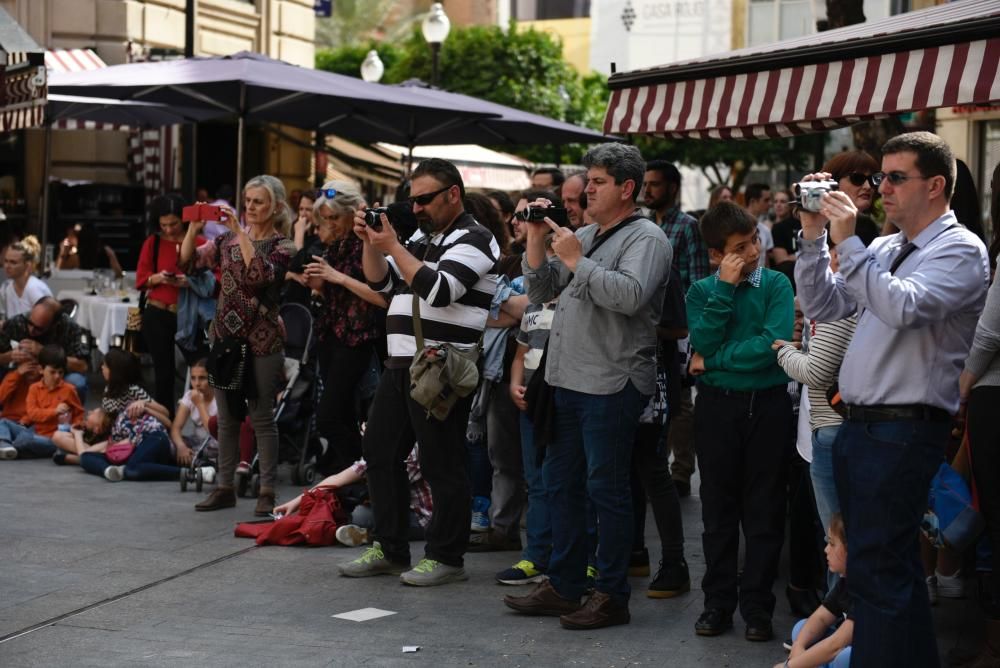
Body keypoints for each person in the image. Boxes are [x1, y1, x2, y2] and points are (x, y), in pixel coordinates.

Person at [795, 131, 989, 667]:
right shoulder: (882, 247)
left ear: (936, 185)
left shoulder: (961, 248)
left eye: (895, 178)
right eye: (880, 177)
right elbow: (821, 305)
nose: (882, 188)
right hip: (861, 426)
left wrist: (848, 241)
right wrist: (814, 239)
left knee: (877, 572)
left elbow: (904, 307)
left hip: (904, 428)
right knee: (890, 570)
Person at [504, 143, 671, 630]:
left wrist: (577, 260)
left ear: (627, 188)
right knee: (562, 486)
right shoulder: (588, 233)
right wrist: (537, 239)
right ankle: (565, 583)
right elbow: (538, 290)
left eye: (597, 182)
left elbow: (630, 297)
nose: (586, 190)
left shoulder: (648, 238)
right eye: (587, 181)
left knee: (607, 490)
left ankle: (612, 594)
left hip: (612, 382)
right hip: (567, 381)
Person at [337, 158, 498, 587]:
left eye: (425, 198)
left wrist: (394, 246)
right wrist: (373, 242)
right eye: (413, 199)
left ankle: (447, 557)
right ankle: (389, 549)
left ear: (453, 194)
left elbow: (440, 289)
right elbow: (382, 284)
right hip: (400, 362)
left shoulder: (477, 239)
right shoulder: (420, 238)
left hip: (440, 367)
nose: (418, 207)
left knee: (440, 462)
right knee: (380, 453)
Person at [687, 201, 795, 642]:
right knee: (717, 511)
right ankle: (717, 603)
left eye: (752, 241)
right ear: (716, 255)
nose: (751, 252)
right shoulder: (701, 290)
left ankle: (757, 607)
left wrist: (712, 360)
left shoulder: (776, 284)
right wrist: (725, 291)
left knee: (765, 512)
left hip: (768, 404)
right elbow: (703, 336)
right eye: (738, 247)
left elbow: (775, 344)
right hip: (716, 406)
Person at [181, 174, 296, 517]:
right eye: (247, 201)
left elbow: (258, 275)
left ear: (275, 206)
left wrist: (241, 233)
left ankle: (267, 491)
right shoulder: (226, 241)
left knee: (261, 416)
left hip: (263, 339)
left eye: (258, 201)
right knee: (228, 417)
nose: (250, 207)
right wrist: (192, 227)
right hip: (225, 337)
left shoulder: (283, 246)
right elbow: (187, 263)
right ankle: (225, 487)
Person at [302, 182, 386, 473]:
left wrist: (335, 277)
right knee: (342, 414)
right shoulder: (335, 246)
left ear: (353, 214)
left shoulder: (370, 241)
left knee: (329, 417)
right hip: (330, 335)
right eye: (324, 219)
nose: (329, 224)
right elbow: (339, 295)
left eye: (334, 218)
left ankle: (363, 472)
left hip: (357, 340)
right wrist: (320, 286)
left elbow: (381, 297)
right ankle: (353, 480)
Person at [643, 159, 711, 498]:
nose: (647, 190)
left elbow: (697, 284)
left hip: (677, 329)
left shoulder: (687, 227)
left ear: (671, 187)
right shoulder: (640, 223)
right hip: (643, 328)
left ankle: (681, 470)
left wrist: (693, 337)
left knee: (680, 402)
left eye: (654, 184)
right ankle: (654, 464)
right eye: (645, 184)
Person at [957, 160, 1000, 668]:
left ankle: (992, 645)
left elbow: (990, 332)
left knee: (992, 515)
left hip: (992, 394)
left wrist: (961, 389)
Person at [273, 444, 432, 547]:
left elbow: (386, 487)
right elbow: (336, 479)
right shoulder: (381, 449)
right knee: (355, 510)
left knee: (360, 515)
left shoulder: (409, 450)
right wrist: (295, 503)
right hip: (403, 509)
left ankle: (370, 536)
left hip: (424, 519)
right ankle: (367, 534)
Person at [136, 194, 195, 413]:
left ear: (184, 220)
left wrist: (189, 282)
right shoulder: (153, 243)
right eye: (163, 225)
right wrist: (160, 277)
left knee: (199, 367)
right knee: (163, 373)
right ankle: (164, 423)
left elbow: (212, 279)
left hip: (187, 313)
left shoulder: (197, 241)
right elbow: (142, 280)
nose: (168, 230)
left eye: (173, 224)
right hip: (158, 311)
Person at [776, 513, 854, 668]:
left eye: (832, 544)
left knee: (845, 657)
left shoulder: (866, 591)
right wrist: (799, 646)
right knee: (801, 629)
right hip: (842, 647)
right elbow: (820, 618)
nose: (826, 549)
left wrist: (789, 666)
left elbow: (836, 645)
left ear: (850, 551)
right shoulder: (846, 583)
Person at [0, 344, 83, 460]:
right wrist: (54, 411)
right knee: (3, 423)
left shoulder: (69, 390)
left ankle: (12, 447)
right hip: (32, 431)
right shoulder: (34, 388)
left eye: (61, 372)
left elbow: (79, 413)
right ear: (42, 370)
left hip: (52, 437)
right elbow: (32, 413)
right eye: (53, 372)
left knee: (25, 439)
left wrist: (73, 429)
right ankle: (5, 445)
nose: (57, 376)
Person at [0, 298, 90, 402]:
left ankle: (70, 416)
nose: (31, 330)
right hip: (22, 372)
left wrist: (45, 352)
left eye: (38, 328)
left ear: (54, 324)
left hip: (57, 375)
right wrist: (9, 356)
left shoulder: (69, 327)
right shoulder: (19, 321)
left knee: (76, 382)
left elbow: (82, 366)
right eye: (29, 323)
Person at [821, 151, 881, 246]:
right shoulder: (815, 224)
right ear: (833, 183)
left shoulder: (867, 225)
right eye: (857, 178)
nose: (868, 186)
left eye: (873, 180)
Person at [169, 358, 218, 469]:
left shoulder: (220, 398)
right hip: (197, 443)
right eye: (193, 378)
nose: (197, 384)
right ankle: (199, 464)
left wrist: (200, 405)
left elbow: (213, 431)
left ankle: (198, 464)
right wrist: (181, 446)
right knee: (170, 445)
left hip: (216, 444)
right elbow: (176, 428)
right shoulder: (189, 395)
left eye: (202, 378)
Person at [99, 348, 166, 420]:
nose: (102, 367)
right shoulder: (108, 388)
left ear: (115, 371)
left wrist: (144, 403)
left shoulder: (133, 390)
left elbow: (165, 412)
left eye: (105, 365)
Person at [1, 236, 51, 320]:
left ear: (27, 265)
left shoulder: (34, 288)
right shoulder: (6, 288)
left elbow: (45, 323)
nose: (7, 266)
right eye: (6, 261)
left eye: (13, 262)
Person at [745, 183, 775, 268]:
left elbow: (766, 263)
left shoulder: (765, 230)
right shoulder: (734, 227)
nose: (770, 204)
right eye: (766, 200)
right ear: (753, 201)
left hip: (761, 279)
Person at [770, 190, 800, 266]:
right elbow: (781, 259)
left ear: (791, 205)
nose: (778, 205)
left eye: (783, 202)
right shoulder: (768, 225)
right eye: (775, 201)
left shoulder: (799, 225)